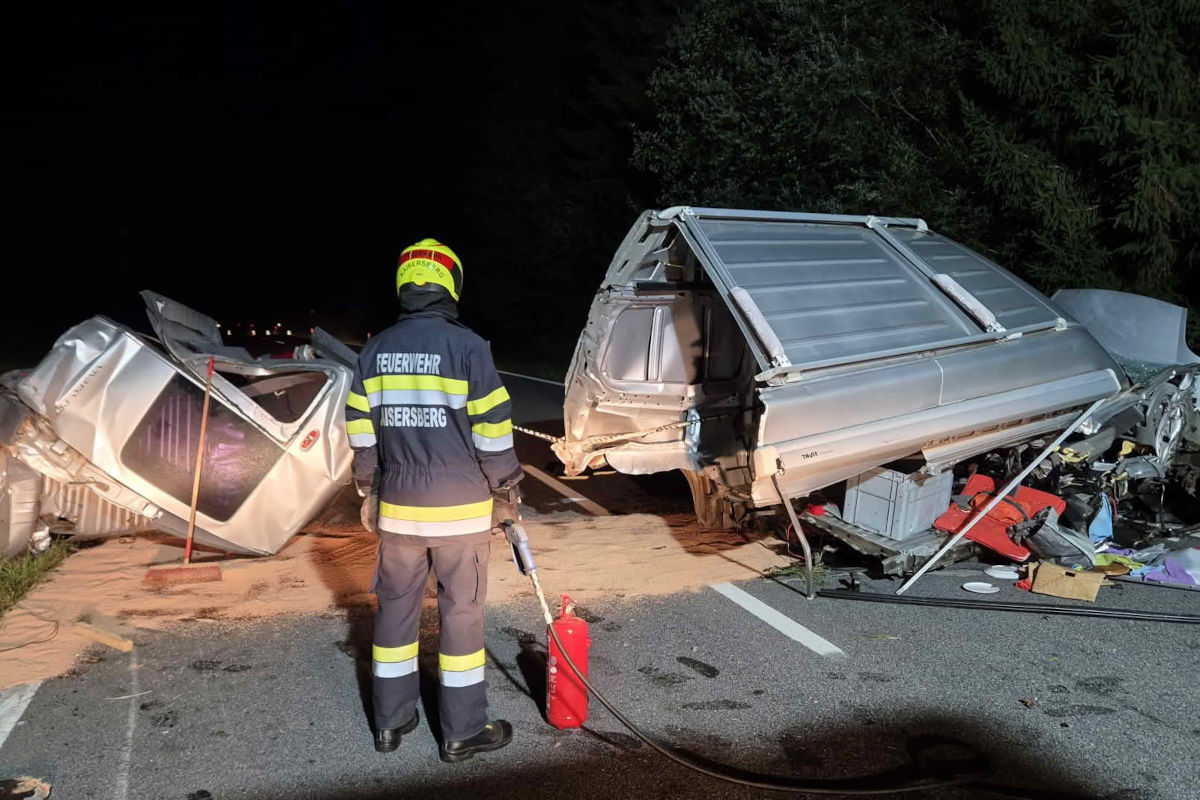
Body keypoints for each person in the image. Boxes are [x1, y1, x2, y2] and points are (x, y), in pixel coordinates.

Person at [345, 238, 523, 762]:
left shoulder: (374, 351)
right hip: (460, 513)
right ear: (451, 284)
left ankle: (390, 722)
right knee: (461, 615)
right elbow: (493, 430)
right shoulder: (469, 348)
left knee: (395, 614)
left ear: (405, 284)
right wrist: (507, 489)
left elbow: (361, 430)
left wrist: (367, 488)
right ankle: (462, 731)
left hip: (399, 509)